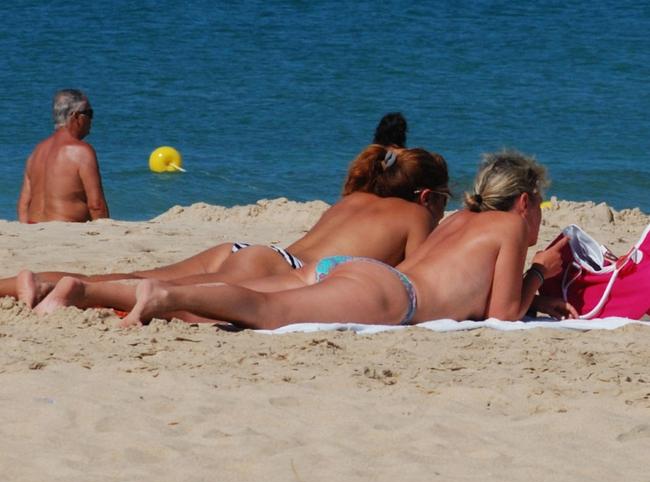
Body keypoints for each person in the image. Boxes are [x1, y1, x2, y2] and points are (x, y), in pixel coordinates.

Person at [34, 149, 575, 327]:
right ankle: (163, 298)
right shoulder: (508, 227)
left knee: (262, 301)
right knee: (262, 310)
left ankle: (82, 290)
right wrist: (538, 273)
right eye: (539, 206)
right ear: (524, 202)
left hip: (355, 271)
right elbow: (502, 316)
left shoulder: (460, 217)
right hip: (390, 294)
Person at [10, 144, 451, 309]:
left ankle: (18, 283)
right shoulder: (415, 217)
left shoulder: (356, 198)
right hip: (280, 268)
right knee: (170, 300)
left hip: (253, 251)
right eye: (444, 200)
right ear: (427, 197)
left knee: (143, 277)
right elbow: (414, 283)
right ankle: (77, 295)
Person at [17, 89, 109, 223]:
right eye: (89, 113)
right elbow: (96, 206)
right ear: (76, 116)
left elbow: (23, 206)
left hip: (33, 227)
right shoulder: (81, 151)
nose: (91, 120)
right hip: (66, 227)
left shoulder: (37, 151)